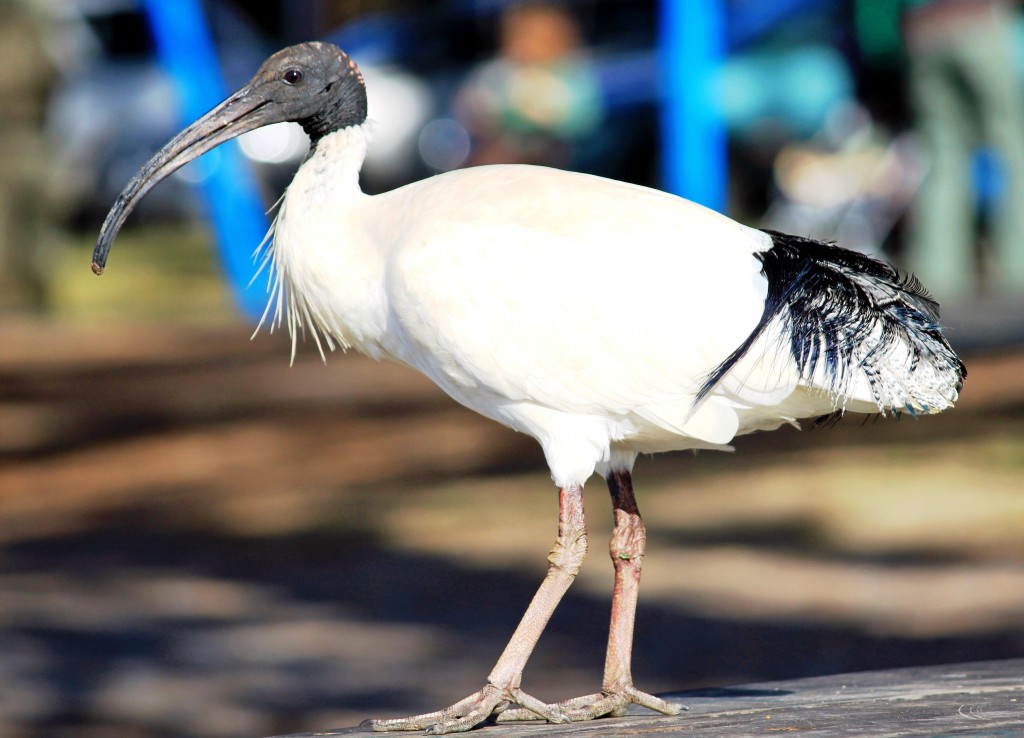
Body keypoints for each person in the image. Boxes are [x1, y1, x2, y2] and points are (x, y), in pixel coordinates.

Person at [904, 0, 1024, 298]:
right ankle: (1018, 267)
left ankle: (938, 274)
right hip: (980, 20)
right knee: (1013, 148)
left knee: (942, 158)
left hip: (925, 30)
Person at [454, 2, 604, 169]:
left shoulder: (572, 77)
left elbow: (584, 119)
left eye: (543, 39)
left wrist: (549, 118)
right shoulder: (499, 74)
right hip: (505, 158)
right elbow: (473, 108)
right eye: (525, 37)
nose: (532, 47)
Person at [0, 0, 58, 312]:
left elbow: (45, 67)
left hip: (29, 129)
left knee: (35, 243)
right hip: (11, 130)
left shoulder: (27, 13)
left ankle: (33, 316)